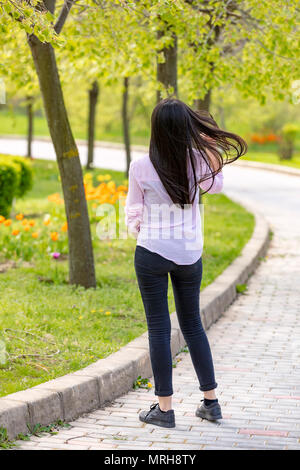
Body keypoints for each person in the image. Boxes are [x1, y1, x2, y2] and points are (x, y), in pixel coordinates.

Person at [125, 98, 247, 428]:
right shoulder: (198, 163)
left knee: (159, 327)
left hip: (151, 252)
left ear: (156, 129)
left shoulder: (140, 166)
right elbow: (217, 185)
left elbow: (132, 212)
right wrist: (208, 148)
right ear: (186, 128)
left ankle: (164, 410)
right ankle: (211, 403)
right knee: (192, 323)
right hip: (189, 255)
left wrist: (143, 229)